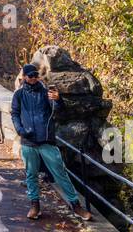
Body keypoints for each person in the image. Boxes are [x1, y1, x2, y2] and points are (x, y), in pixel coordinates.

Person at [10, 64, 91, 221]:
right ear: (25, 77)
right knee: (31, 174)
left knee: (60, 173)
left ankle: (76, 206)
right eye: (30, 75)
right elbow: (15, 113)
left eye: (35, 75)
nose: (33, 78)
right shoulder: (19, 95)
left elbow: (58, 111)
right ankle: (35, 206)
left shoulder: (46, 92)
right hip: (28, 141)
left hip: (46, 139)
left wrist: (59, 100)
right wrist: (20, 129)